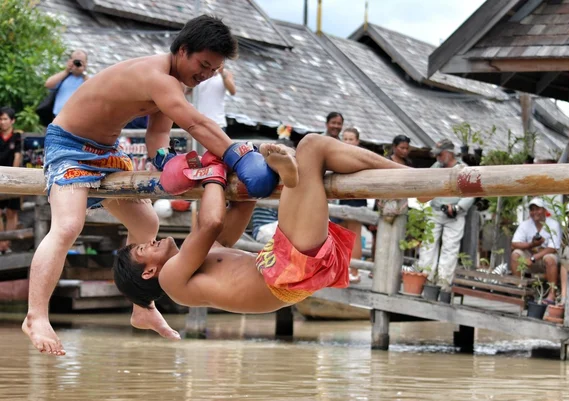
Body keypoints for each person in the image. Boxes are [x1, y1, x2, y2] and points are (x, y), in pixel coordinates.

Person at [23, 15, 278, 356]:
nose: (205, 75)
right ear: (182, 50)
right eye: (203, 64)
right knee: (68, 224)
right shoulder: (157, 76)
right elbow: (196, 123)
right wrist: (238, 155)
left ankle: (140, 306)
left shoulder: (176, 83)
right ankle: (36, 316)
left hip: (108, 153)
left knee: (146, 222)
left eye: (213, 70)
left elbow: (158, 134)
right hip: (68, 147)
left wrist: (163, 160)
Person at [113, 134, 412, 313]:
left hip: (282, 264)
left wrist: (246, 160)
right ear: (150, 271)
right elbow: (211, 223)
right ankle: (409, 179)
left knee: (313, 146)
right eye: (143, 250)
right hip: (283, 274)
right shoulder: (171, 281)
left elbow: (246, 202)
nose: (150, 242)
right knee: (311, 147)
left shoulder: (200, 257)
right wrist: (211, 174)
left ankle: (405, 176)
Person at [417, 139, 474, 290]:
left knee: (450, 247)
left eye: (440, 155)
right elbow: (426, 186)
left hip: (455, 214)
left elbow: (471, 193)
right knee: (428, 244)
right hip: (436, 210)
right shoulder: (435, 167)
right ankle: (426, 277)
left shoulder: (464, 169)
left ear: (449, 153)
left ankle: (444, 281)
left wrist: (458, 207)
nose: (438, 158)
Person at [510, 197, 561, 303]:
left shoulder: (553, 224)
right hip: (530, 258)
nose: (534, 212)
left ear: (544, 210)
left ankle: (552, 294)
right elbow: (514, 243)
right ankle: (519, 289)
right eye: (532, 209)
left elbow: (553, 248)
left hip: (544, 260)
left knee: (550, 258)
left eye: (537, 209)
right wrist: (531, 244)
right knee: (515, 254)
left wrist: (533, 258)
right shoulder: (525, 224)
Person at [340, 128, 367, 283]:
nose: (348, 142)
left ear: (357, 141)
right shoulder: (342, 155)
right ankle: (345, 269)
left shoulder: (360, 156)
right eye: (345, 139)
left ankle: (355, 271)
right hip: (344, 197)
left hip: (357, 197)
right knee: (345, 234)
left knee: (355, 234)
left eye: (351, 139)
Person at [0, 107, 23, 254]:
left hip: (13, 178)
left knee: (11, 212)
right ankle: (1, 243)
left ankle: (7, 245)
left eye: (5, 119)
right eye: (0, 119)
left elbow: (18, 156)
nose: (2, 122)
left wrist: (12, 176)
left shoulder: (17, 138)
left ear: (12, 120)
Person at [189, 65, 236, 131]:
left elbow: (233, 91)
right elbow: (186, 91)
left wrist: (222, 74)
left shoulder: (225, 73)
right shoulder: (199, 73)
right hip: (198, 122)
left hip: (218, 123)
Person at [44, 49, 89, 118]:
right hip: (57, 117)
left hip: (77, 119)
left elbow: (96, 90)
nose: (77, 64)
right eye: (75, 61)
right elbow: (48, 84)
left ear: (85, 64)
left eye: (80, 62)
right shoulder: (64, 77)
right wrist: (66, 70)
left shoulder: (86, 80)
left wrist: (83, 71)